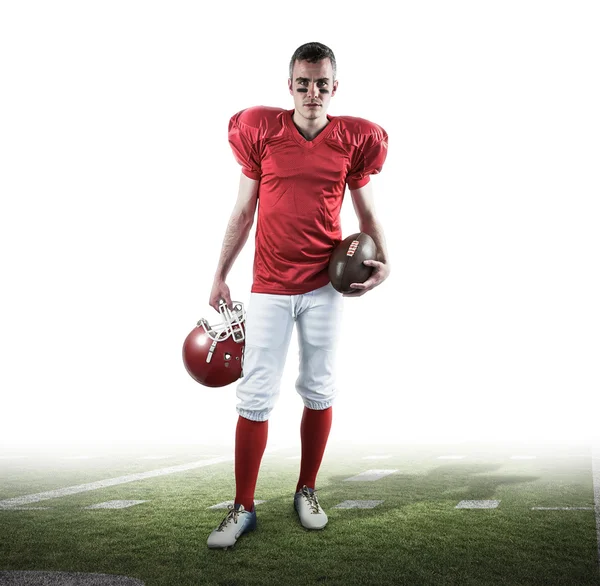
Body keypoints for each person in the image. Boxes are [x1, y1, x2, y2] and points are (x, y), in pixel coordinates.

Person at [206, 42, 390, 549]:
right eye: (304, 83)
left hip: (325, 287)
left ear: (335, 88)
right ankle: (243, 506)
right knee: (255, 393)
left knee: (320, 386)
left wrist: (386, 261)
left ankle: (306, 490)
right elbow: (243, 212)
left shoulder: (353, 139)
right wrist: (220, 274)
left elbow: (368, 216)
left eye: (322, 84)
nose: (313, 92)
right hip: (268, 284)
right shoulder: (262, 132)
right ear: (290, 86)